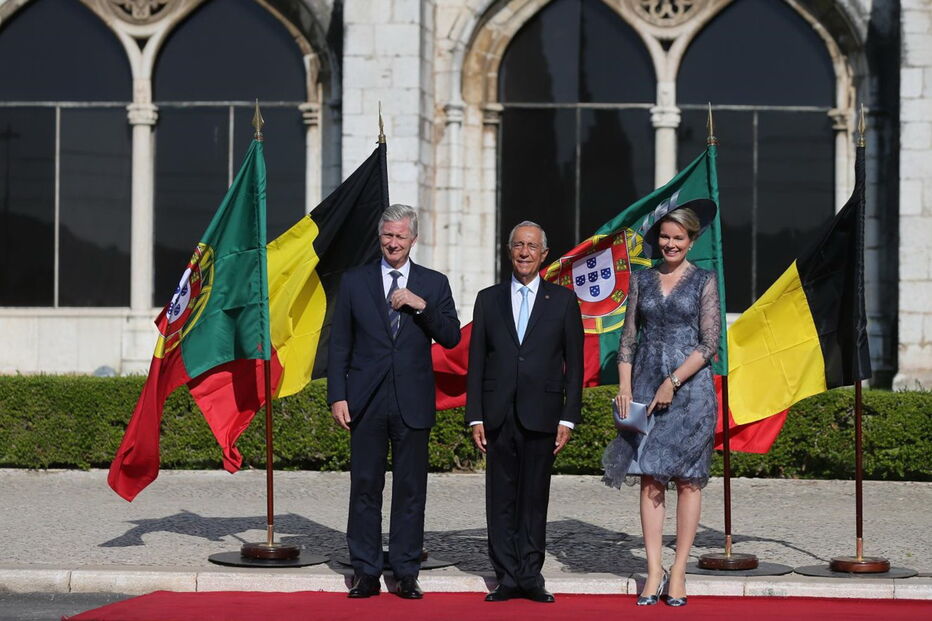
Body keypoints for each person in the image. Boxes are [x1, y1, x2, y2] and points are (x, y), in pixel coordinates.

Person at [327, 204, 461, 599]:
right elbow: (339, 345)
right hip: (365, 400)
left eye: (401, 236)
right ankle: (366, 571)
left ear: (413, 240)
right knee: (365, 486)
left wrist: (421, 306)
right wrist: (338, 395)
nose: (393, 243)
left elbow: (452, 336)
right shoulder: (355, 282)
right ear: (379, 237)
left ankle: (405, 571)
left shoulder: (433, 284)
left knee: (410, 489)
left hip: (413, 401)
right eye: (387, 235)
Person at [602, 205, 721, 607]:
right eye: (665, 237)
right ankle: (654, 570)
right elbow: (627, 340)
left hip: (691, 394)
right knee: (651, 478)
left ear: (691, 241)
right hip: (644, 392)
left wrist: (673, 382)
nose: (670, 243)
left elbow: (709, 345)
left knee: (689, 480)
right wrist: (624, 388)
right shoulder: (641, 280)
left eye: (679, 238)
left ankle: (680, 570)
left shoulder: (705, 281)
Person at [466, 221, 584, 604]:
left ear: (544, 254)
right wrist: (476, 415)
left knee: (534, 497)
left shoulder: (563, 301)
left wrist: (568, 417)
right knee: (500, 498)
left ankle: (530, 574)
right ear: (509, 250)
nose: (524, 252)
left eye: (532, 246)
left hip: (543, 415)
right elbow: (477, 362)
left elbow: (575, 365)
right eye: (518, 245)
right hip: (498, 414)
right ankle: (506, 575)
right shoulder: (488, 299)